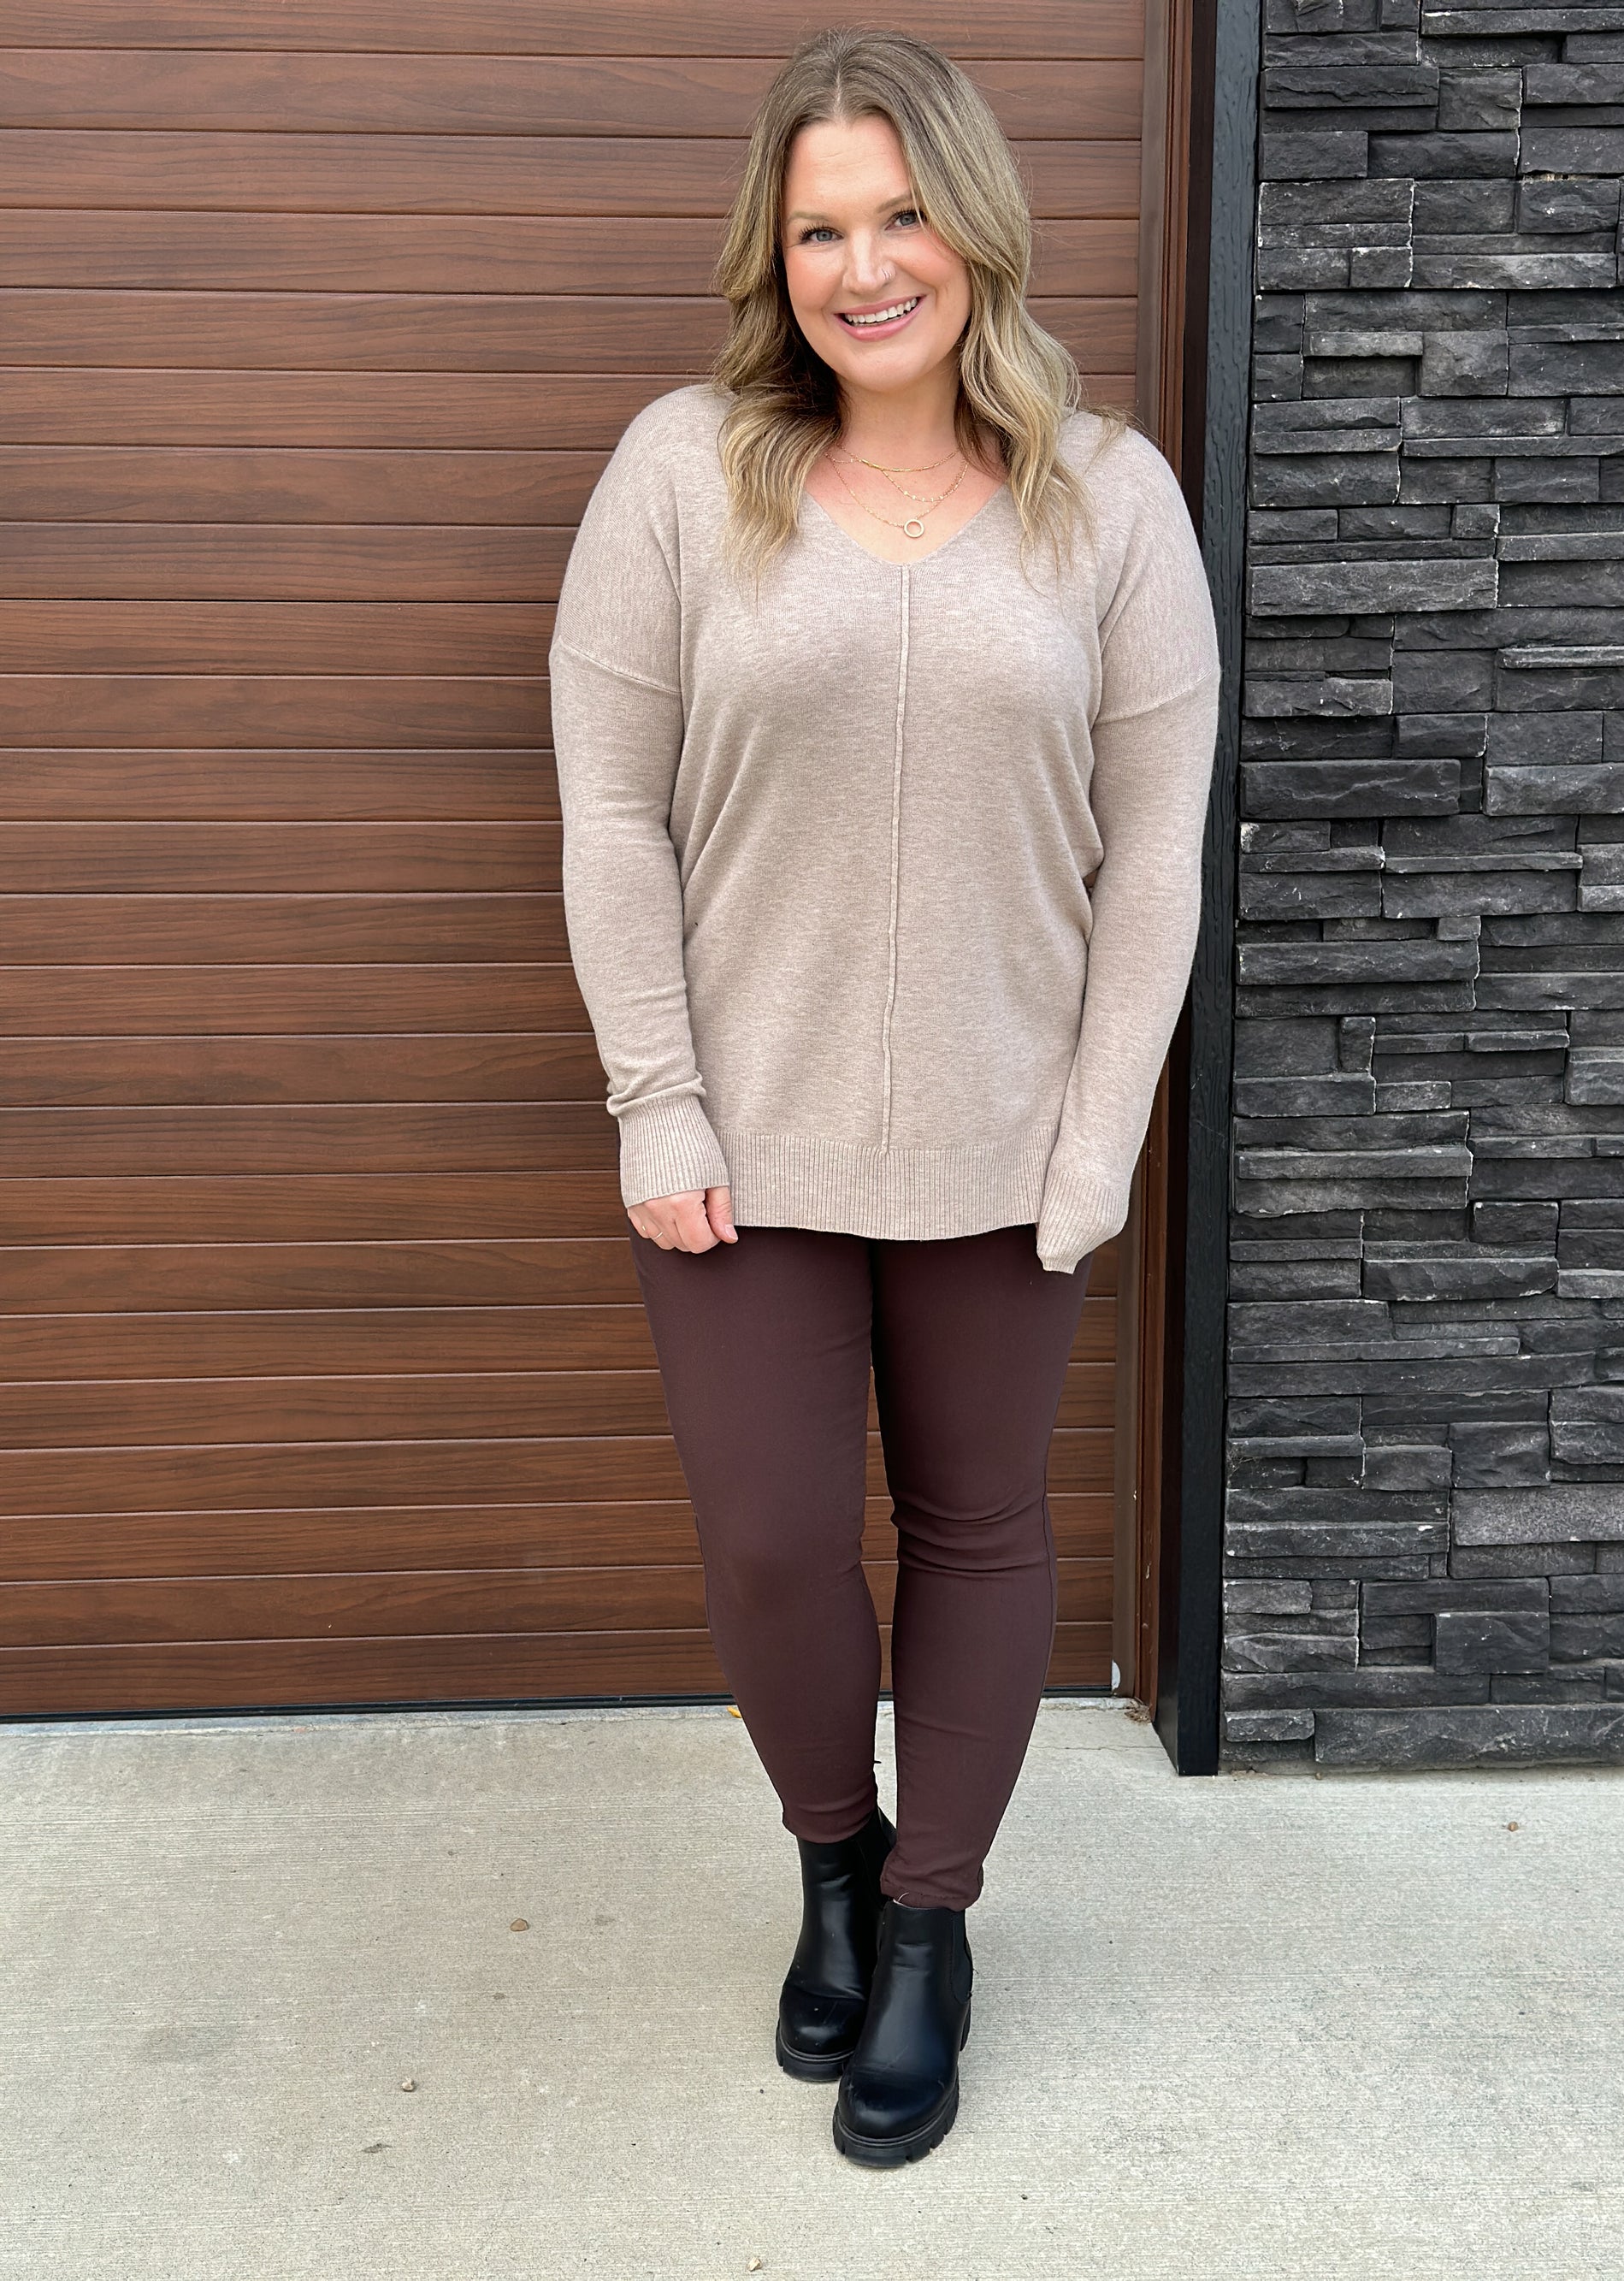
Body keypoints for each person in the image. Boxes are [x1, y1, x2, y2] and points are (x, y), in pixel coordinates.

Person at [547, 27, 1219, 2168]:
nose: (864, 267)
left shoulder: (1109, 498)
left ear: (976, 228)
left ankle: (931, 1924)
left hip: (1008, 1142)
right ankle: (832, 1860)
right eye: (820, 228)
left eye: (902, 214)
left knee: (980, 1525)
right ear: (777, 256)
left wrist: (1097, 1132)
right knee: (770, 1535)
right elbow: (610, 811)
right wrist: (656, 1098)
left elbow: (1155, 851)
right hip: (741, 1142)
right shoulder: (684, 472)